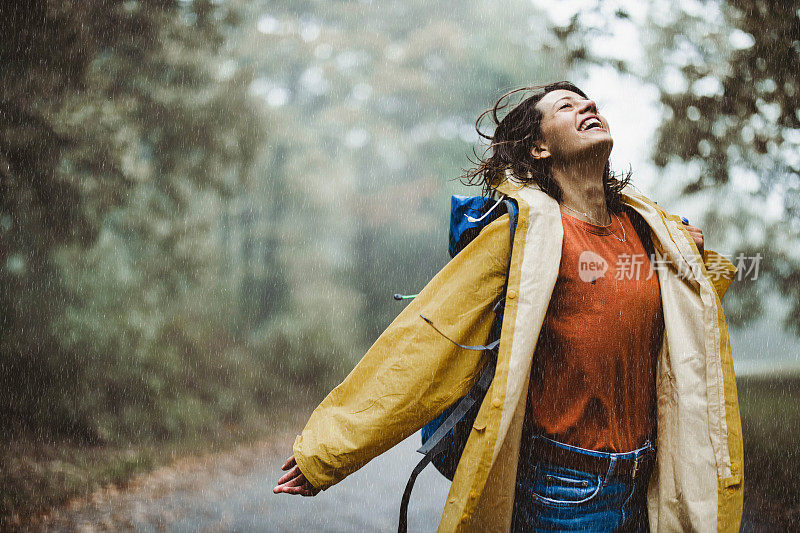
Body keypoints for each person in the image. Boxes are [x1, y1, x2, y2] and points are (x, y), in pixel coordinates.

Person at [274, 81, 743, 532]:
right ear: (540, 148)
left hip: (650, 485)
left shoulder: (646, 229)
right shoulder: (524, 235)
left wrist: (686, 257)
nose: (587, 105)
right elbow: (427, 340)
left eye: (588, 101)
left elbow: (675, 335)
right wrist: (328, 452)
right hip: (564, 493)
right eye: (566, 106)